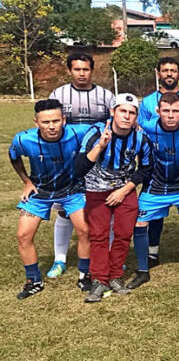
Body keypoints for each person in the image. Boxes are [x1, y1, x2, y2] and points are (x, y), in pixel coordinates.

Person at [9, 99, 91, 299]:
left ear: (64, 119)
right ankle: (33, 280)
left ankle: (85, 275)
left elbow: (103, 126)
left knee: (85, 230)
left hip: (73, 190)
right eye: (45, 122)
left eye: (56, 121)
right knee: (23, 235)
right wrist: (26, 181)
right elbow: (13, 157)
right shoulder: (23, 140)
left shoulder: (77, 133)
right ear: (36, 122)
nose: (52, 126)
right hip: (40, 192)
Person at [129, 93, 179, 289]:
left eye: (175, 111)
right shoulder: (147, 127)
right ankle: (142, 270)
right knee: (140, 223)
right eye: (166, 111)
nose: (171, 115)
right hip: (155, 185)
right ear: (158, 112)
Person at [76, 94, 153, 302]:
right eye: (122, 111)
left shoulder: (140, 137)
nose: (127, 116)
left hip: (124, 188)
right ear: (113, 112)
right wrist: (100, 146)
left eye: (131, 112)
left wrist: (124, 190)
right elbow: (79, 167)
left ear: (136, 116)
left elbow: (146, 169)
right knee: (99, 235)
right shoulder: (95, 132)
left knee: (123, 233)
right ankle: (100, 279)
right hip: (96, 189)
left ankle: (116, 275)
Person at [47, 52, 114, 280]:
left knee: (105, 209)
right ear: (70, 70)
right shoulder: (59, 94)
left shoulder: (105, 95)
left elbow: (116, 122)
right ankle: (60, 259)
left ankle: (106, 256)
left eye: (85, 69)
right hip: (68, 162)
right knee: (65, 210)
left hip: (99, 161)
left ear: (92, 70)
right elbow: (50, 125)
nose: (82, 73)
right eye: (77, 69)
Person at [137, 57, 179, 277]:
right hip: (156, 176)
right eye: (165, 70)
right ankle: (150, 256)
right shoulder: (147, 109)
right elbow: (136, 134)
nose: (169, 74)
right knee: (146, 219)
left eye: (173, 70)